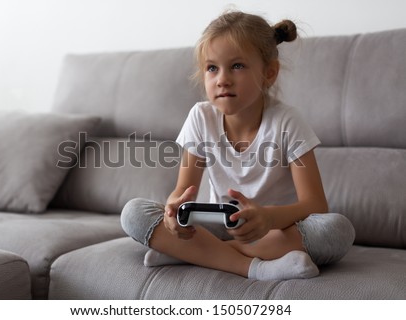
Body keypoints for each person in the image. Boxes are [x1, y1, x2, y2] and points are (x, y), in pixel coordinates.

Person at [121, 11, 355, 280]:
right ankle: (256, 268)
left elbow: (315, 204)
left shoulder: (288, 122)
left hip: (274, 230)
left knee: (337, 229)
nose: (222, 79)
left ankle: (191, 254)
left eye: (237, 66)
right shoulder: (201, 117)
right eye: (212, 68)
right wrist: (174, 213)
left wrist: (267, 218)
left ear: (269, 73)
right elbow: (181, 193)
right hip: (219, 226)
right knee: (133, 213)